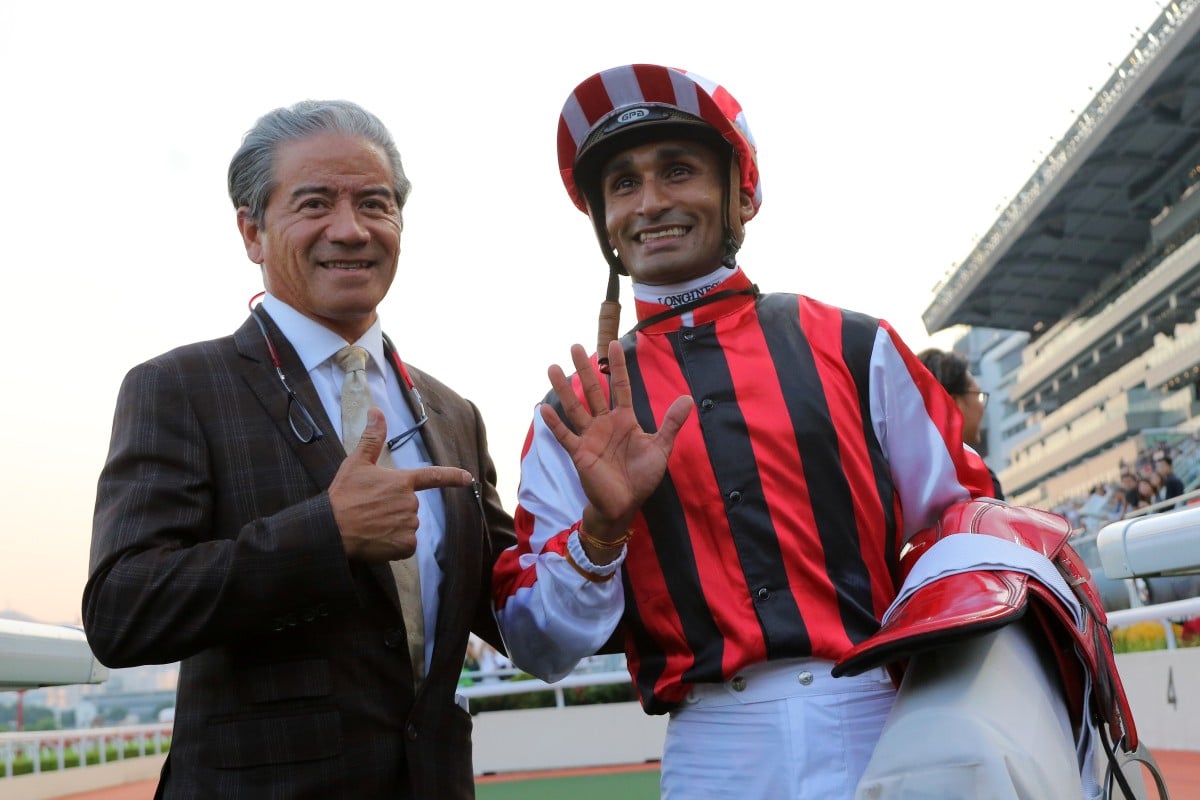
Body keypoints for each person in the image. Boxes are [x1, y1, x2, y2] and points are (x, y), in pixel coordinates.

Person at [490, 64, 1016, 797]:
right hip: (712, 745)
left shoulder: (856, 346)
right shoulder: (571, 413)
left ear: (740, 192)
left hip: (880, 712)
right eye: (623, 184)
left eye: (677, 171)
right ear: (602, 219)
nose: (650, 204)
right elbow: (536, 644)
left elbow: (974, 526)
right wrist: (602, 532)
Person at [84, 100, 515, 799]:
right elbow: (122, 611)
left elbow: (511, 609)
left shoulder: (452, 413)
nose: (350, 230)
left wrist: (597, 528)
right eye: (314, 203)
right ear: (252, 231)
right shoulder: (179, 388)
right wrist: (328, 532)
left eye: (374, 204)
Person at [916, 348, 1004, 499]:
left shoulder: (908, 478)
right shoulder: (979, 480)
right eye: (978, 396)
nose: (981, 408)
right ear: (954, 402)